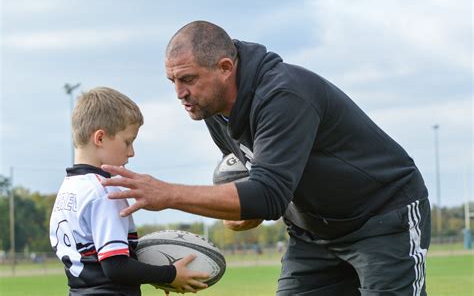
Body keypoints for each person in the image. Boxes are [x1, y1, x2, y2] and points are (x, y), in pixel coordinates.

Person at [102, 21, 431, 296]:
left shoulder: (283, 95)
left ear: (225, 68)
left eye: (188, 79)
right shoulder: (214, 110)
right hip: (313, 234)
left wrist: (168, 193)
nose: (179, 93)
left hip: (382, 219)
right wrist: (245, 211)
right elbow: (259, 186)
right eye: (173, 81)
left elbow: (268, 195)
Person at [49, 87, 208, 296]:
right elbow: (116, 267)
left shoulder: (69, 188)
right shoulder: (105, 192)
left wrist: (152, 272)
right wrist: (170, 274)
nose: (131, 152)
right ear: (100, 138)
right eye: (127, 142)